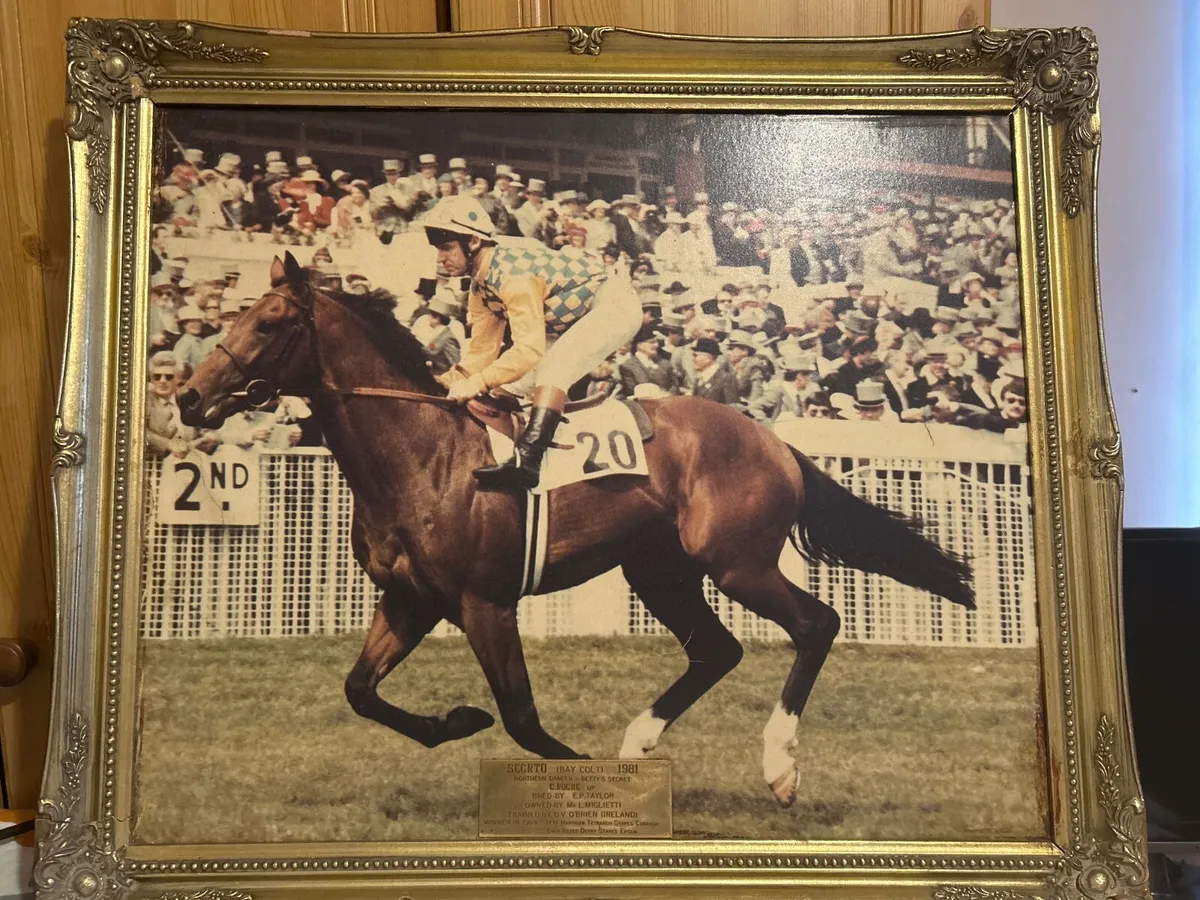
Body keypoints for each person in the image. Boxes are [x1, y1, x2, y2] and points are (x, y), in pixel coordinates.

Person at [424, 195, 642, 490]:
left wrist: (475, 384)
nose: (440, 258)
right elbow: (480, 355)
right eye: (438, 249)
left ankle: (529, 459)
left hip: (614, 302)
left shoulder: (513, 276)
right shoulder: (480, 286)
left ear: (473, 242)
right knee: (507, 387)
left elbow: (528, 350)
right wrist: (442, 382)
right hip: (571, 319)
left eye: (447, 247)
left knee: (553, 369)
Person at [410, 289, 463, 377]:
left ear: (437, 318)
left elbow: (456, 363)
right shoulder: (437, 333)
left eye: (430, 315)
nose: (428, 317)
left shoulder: (448, 338)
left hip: (443, 378)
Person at [618, 323, 676, 397]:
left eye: (656, 342)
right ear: (639, 345)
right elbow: (632, 391)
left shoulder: (665, 363)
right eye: (652, 342)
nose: (656, 345)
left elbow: (674, 385)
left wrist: (668, 395)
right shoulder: (628, 367)